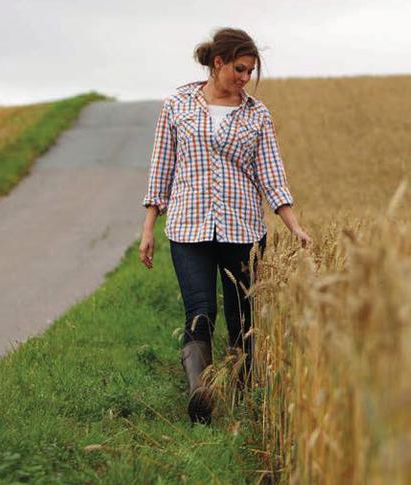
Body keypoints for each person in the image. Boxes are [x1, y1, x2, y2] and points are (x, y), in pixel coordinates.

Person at [138, 27, 311, 424]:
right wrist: (149, 227)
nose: (244, 78)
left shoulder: (257, 114)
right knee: (199, 314)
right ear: (218, 62)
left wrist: (293, 225)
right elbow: (161, 168)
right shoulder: (177, 105)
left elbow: (272, 174)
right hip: (188, 228)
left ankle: (246, 398)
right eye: (239, 68)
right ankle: (202, 398)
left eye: (249, 71)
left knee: (243, 319)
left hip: (243, 230)